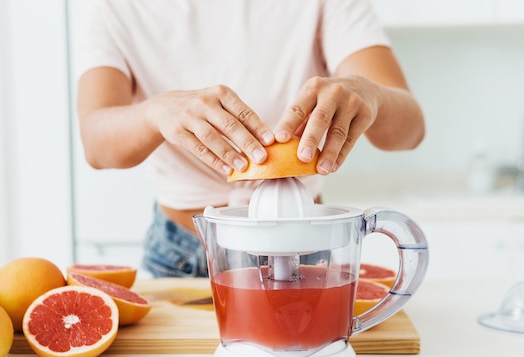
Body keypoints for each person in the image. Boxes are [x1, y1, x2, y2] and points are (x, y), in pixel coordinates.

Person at [73, 0, 425, 278]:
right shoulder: (111, 7)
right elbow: (96, 143)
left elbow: (411, 129)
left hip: (306, 245)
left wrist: (371, 95)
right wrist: (156, 112)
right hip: (182, 255)